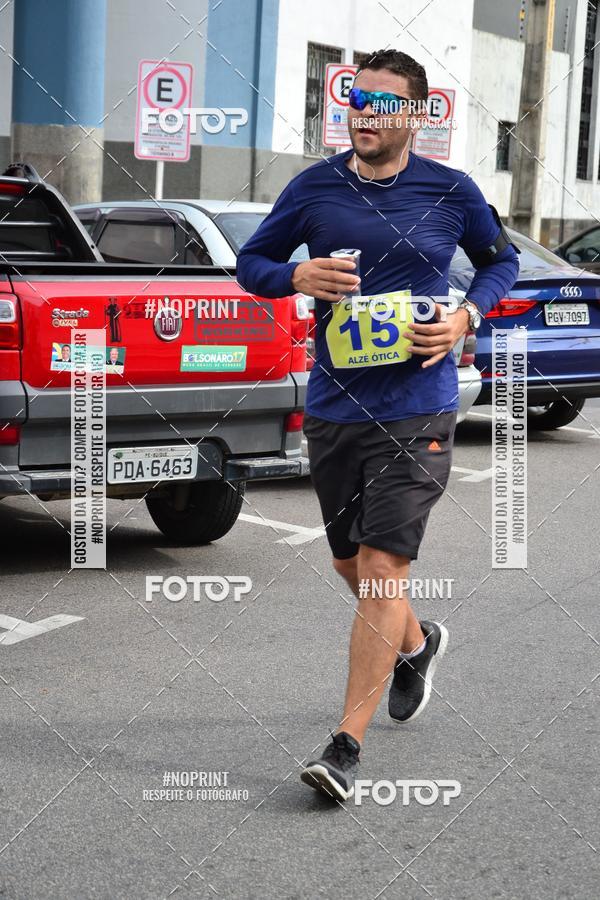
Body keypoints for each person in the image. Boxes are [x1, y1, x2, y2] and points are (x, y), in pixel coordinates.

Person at [237, 48, 519, 802]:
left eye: (382, 102)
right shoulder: (314, 187)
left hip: (418, 405)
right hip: (335, 406)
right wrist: (294, 275)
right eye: (355, 99)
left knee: (381, 568)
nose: (363, 112)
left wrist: (466, 315)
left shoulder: (451, 190)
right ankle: (417, 643)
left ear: (416, 114)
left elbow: (501, 263)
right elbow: (251, 263)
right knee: (350, 566)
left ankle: (345, 748)